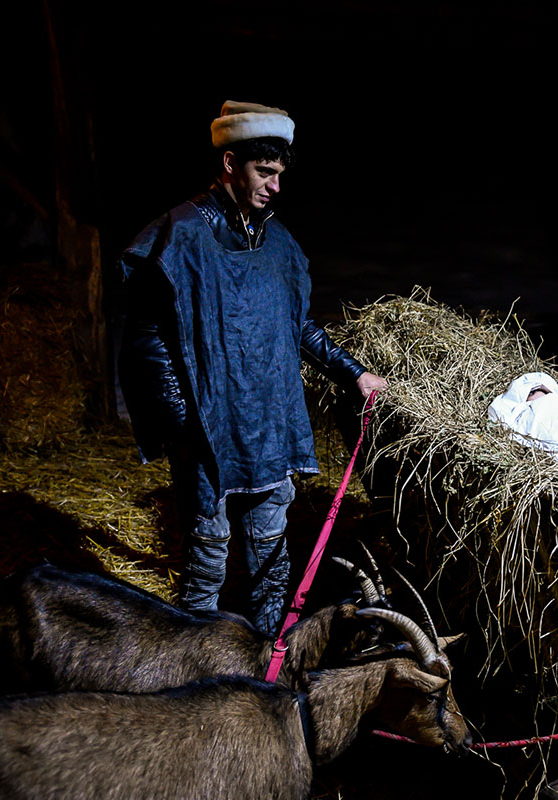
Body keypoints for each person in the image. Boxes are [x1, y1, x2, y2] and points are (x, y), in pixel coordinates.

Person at [116, 100, 386, 637]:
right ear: (230, 164)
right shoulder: (182, 235)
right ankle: (192, 679)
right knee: (206, 563)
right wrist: (183, 423)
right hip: (209, 432)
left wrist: (353, 372)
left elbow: (298, 324)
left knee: (270, 559)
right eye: (265, 173)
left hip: (269, 426)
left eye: (280, 175)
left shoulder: (277, 241)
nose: (275, 187)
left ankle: (265, 669)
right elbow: (146, 337)